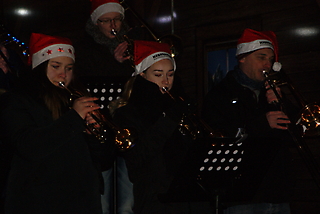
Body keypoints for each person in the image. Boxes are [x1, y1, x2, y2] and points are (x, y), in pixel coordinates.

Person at [0, 32, 115, 214]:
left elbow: (102, 160)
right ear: (40, 66)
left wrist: (95, 134)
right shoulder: (18, 100)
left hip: (82, 199)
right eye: (56, 66)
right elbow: (28, 146)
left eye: (69, 68)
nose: (63, 74)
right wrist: (74, 118)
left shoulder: (77, 96)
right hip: (40, 200)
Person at [111, 40, 214, 214]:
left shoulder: (178, 104)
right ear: (142, 75)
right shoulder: (127, 113)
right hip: (156, 201)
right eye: (158, 75)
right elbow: (137, 159)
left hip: (191, 198)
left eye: (170, 74)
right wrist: (169, 120)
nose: (166, 81)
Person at [201, 28, 297, 214]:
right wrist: (262, 123)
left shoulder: (272, 92)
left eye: (270, 59)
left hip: (278, 193)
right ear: (242, 57)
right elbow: (219, 138)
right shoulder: (220, 95)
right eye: (261, 57)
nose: (268, 64)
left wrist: (280, 103)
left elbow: (294, 134)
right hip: (242, 197)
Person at [73, 1, 136, 213]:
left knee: (127, 202)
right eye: (106, 20)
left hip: (128, 128)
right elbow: (82, 83)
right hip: (98, 133)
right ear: (95, 23)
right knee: (103, 201)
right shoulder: (83, 49)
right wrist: (115, 63)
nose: (113, 25)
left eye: (117, 19)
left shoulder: (133, 46)